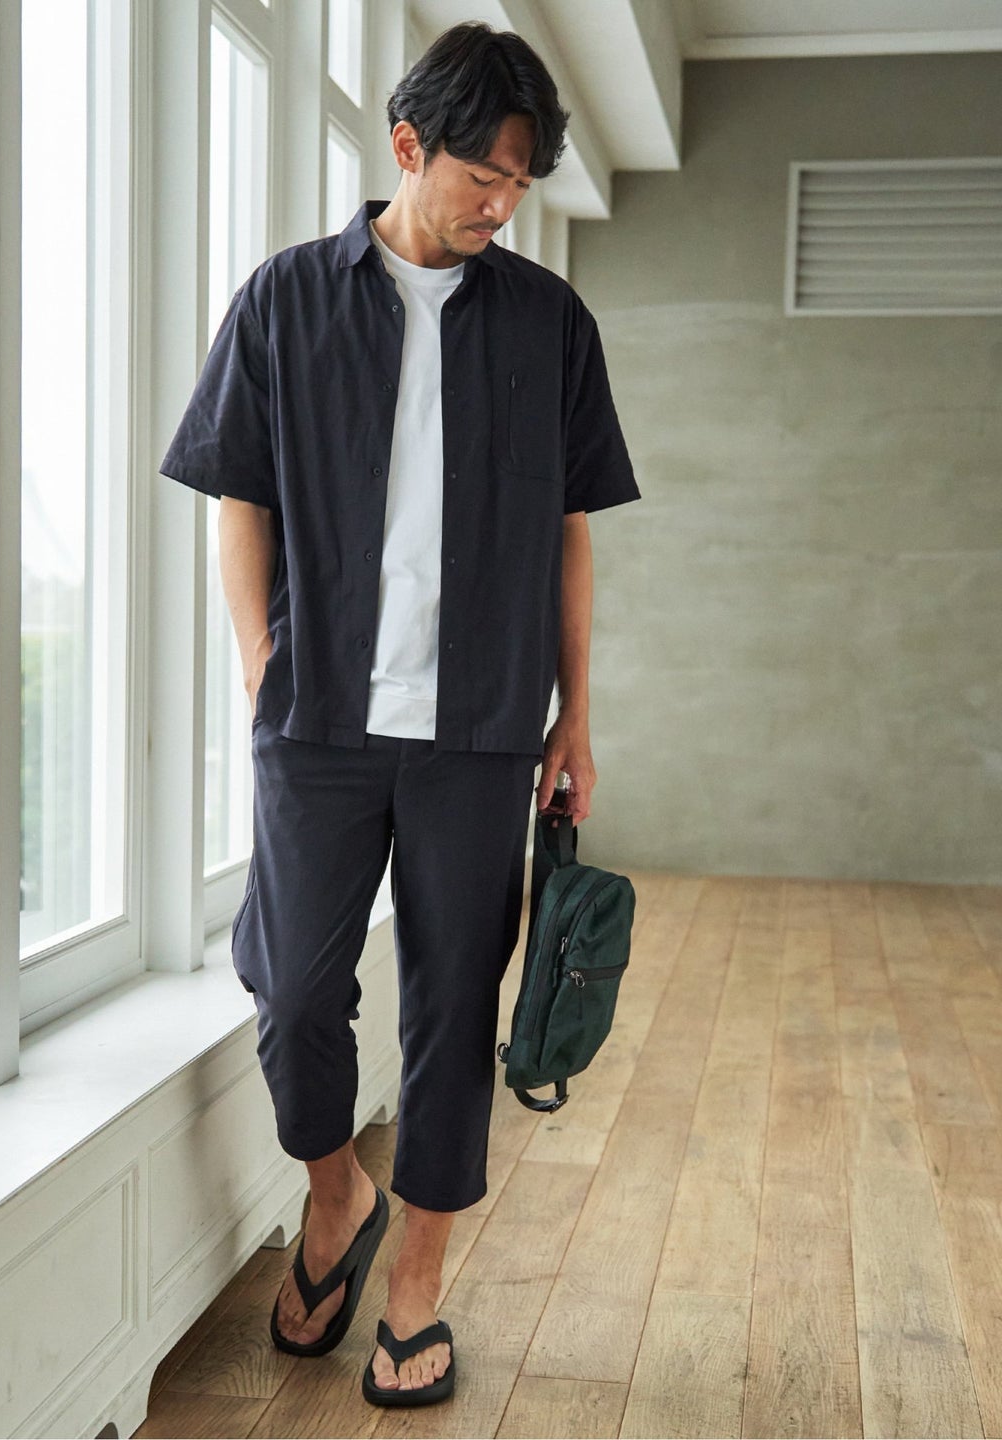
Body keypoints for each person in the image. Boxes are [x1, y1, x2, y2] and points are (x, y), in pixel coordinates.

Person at [159, 19, 640, 1408]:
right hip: (317, 716)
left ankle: (417, 1286)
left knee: (452, 1003)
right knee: (294, 986)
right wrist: (258, 656)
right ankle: (336, 1197)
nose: (503, 206)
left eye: (522, 184)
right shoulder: (284, 300)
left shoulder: (550, 324)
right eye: (483, 176)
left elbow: (570, 529)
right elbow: (237, 491)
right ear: (408, 144)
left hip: (482, 727)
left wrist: (576, 716)